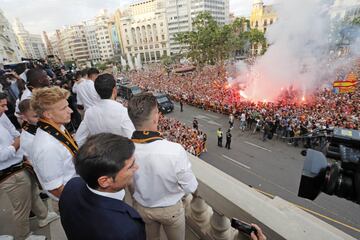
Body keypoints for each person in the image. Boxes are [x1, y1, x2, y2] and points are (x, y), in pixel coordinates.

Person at [128, 92, 198, 240]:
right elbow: (191, 186)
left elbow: (129, 182)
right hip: (170, 209)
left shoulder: (125, 148)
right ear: (155, 116)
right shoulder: (174, 150)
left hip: (142, 206)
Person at [59, 133, 145, 240]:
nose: (136, 167)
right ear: (104, 181)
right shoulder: (126, 230)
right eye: (130, 166)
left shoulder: (72, 186)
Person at [0, 93, 58, 240]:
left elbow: (13, 132)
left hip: (20, 165)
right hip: (9, 173)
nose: (6, 109)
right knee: (21, 208)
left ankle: (43, 216)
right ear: (25, 117)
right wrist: (17, 144)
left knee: (32, 193)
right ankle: (23, 236)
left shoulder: (2, 117)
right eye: (2, 105)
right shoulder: (27, 136)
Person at [30, 86, 77, 199]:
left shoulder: (57, 127)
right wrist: (80, 203)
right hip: (72, 198)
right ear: (48, 115)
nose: (70, 110)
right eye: (63, 108)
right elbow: (55, 188)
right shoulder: (47, 146)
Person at [75, 73, 135, 147]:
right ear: (114, 90)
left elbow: (78, 139)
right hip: (121, 155)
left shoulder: (89, 113)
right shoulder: (123, 112)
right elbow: (132, 139)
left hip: (100, 155)